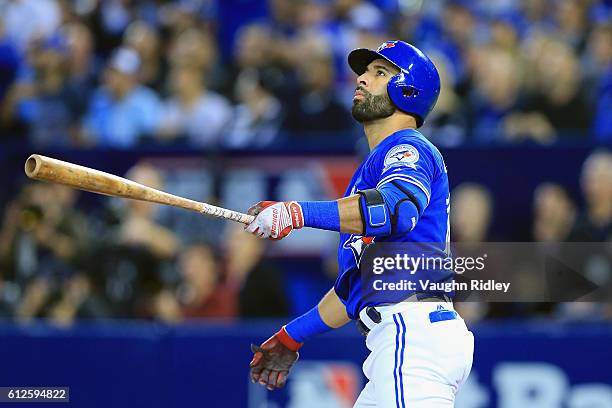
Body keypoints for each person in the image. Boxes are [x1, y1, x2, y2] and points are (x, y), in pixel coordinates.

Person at [244, 40, 474, 406]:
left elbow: (396, 210)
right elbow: (352, 290)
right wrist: (292, 336)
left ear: (409, 90)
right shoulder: (373, 168)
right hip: (405, 336)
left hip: (410, 333)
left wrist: (297, 213)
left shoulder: (408, 148)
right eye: (364, 72)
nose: (362, 79)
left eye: (380, 73)